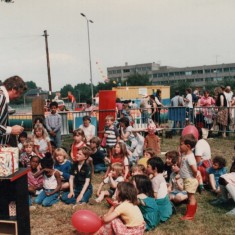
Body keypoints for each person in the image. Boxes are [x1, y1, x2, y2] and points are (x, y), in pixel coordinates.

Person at [0, 76, 27, 146]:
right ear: (13, 89)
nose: (18, 97)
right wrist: (11, 130)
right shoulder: (1, 97)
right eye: (19, 93)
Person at [146, 157, 172, 222]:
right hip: (165, 202)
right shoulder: (160, 176)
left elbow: (155, 196)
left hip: (160, 203)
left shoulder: (155, 180)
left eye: (148, 167)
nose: (147, 168)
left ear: (155, 169)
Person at [179, 134, 198, 220]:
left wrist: (194, 176)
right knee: (189, 196)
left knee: (191, 197)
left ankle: (190, 215)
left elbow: (194, 169)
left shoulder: (190, 157)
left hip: (190, 179)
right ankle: (190, 211)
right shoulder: (184, 154)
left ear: (188, 146)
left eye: (181, 144)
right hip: (186, 179)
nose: (179, 146)